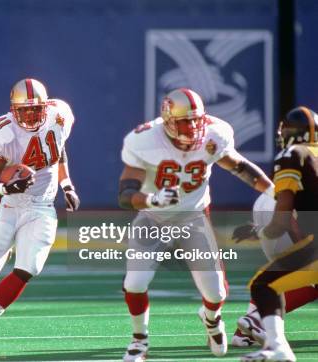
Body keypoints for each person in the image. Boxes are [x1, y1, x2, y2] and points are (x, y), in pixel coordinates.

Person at [117, 88, 273, 361]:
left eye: (196, 119)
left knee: (216, 291)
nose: (192, 127)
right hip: (153, 217)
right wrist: (152, 200)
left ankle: (211, 319)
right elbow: (125, 195)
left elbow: (239, 167)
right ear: (167, 120)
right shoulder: (144, 140)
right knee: (135, 282)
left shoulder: (215, 133)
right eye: (184, 121)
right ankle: (139, 340)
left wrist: (273, 191)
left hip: (193, 217)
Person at [0, 78, 80, 350]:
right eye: (23, 110)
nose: (30, 115)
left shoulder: (58, 117)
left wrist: (67, 185)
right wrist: (2, 187)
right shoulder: (2, 132)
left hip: (43, 206)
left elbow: (58, 152)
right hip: (11, 204)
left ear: (46, 107)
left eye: (35, 109)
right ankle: (9, 243)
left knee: (28, 268)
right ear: (13, 110)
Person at [232, 106, 318, 362]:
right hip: (289, 222)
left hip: (279, 216)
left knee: (269, 281)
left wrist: (262, 231)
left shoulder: (292, 155)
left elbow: (284, 210)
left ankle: (255, 326)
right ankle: (255, 322)